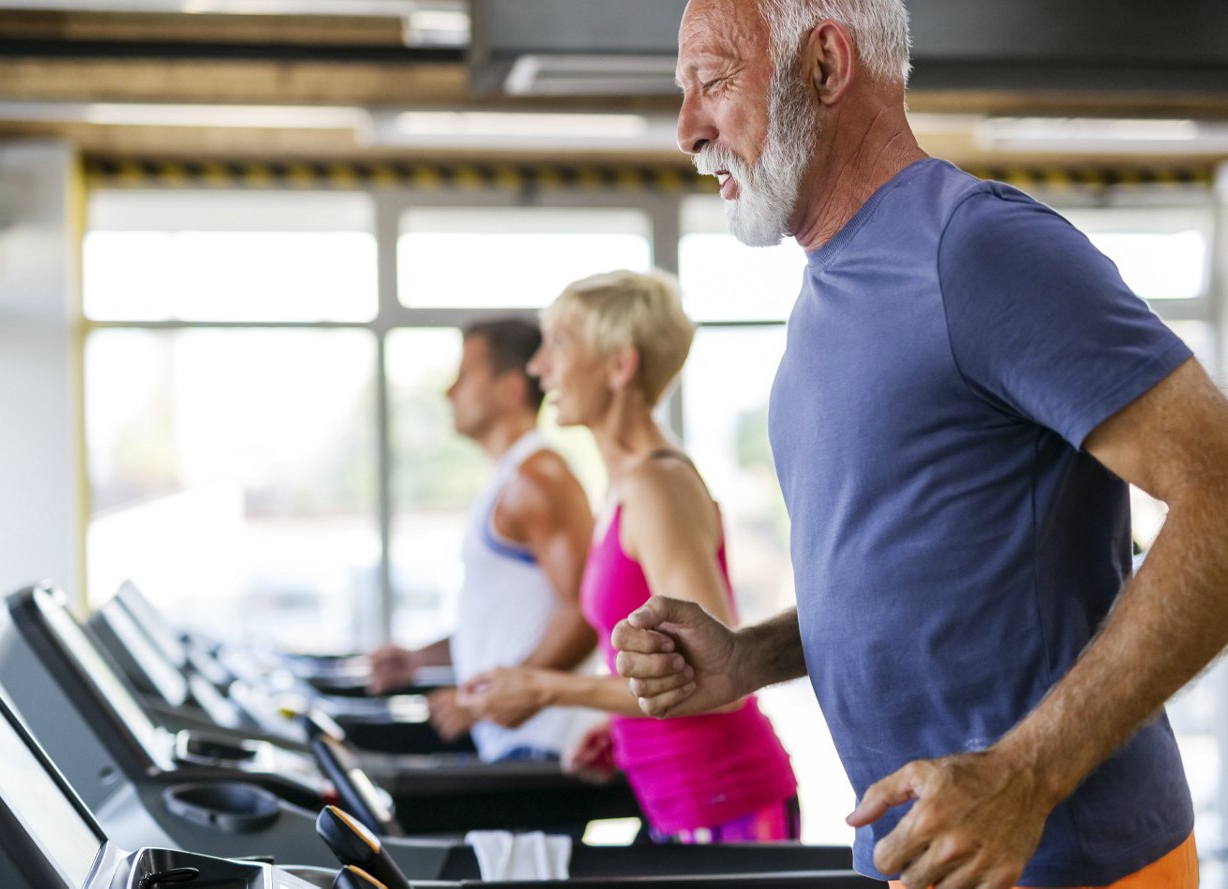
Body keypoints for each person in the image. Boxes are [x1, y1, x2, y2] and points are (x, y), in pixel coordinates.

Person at [611, 1, 1228, 887]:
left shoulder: (977, 246)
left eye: (713, 83)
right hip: (919, 856)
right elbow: (924, 580)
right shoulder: (823, 296)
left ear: (824, 65)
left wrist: (1027, 773)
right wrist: (751, 657)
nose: (686, 129)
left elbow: (1220, 490)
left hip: (1068, 858)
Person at [457, 269, 800, 844]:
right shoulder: (623, 485)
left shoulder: (655, 486)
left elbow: (721, 679)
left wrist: (546, 689)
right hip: (676, 799)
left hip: (726, 801)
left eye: (559, 345)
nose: (539, 368)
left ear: (619, 367)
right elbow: (663, 671)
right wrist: (614, 727)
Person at [368, 318, 598, 763]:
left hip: (541, 744)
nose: (449, 392)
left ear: (509, 389)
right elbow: (499, 627)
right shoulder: (510, 478)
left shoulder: (539, 478)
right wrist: (419, 660)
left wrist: (491, 698)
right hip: (510, 739)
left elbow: (585, 612)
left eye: (465, 375)